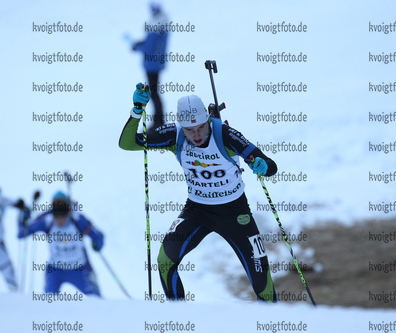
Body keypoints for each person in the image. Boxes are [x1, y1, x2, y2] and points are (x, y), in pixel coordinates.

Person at [119, 83, 278, 302]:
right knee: (165, 260)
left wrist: (262, 165)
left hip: (235, 212)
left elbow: (270, 165)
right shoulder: (174, 136)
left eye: (201, 127)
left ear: (208, 121)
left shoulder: (225, 135)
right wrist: (137, 110)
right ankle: (180, 317)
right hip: (197, 210)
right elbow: (128, 144)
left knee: (262, 282)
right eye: (189, 130)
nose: (196, 135)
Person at [18, 191, 104, 296]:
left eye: (62, 215)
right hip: (56, 270)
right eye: (56, 215)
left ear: (68, 212)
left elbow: (98, 236)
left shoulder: (77, 219)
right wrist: (24, 215)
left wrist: (97, 244)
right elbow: (22, 233)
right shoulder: (46, 220)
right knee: (48, 300)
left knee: (96, 300)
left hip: (79, 269)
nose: (59, 220)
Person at [131, 2, 169, 131]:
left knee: (154, 92)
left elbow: (149, 48)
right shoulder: (162, 23)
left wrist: (137, 47)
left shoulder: (156, 25)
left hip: (152, 64)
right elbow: (152, 43)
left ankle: (159, 121)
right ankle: (160, 120)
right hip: (155, 63)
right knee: (154, 92)